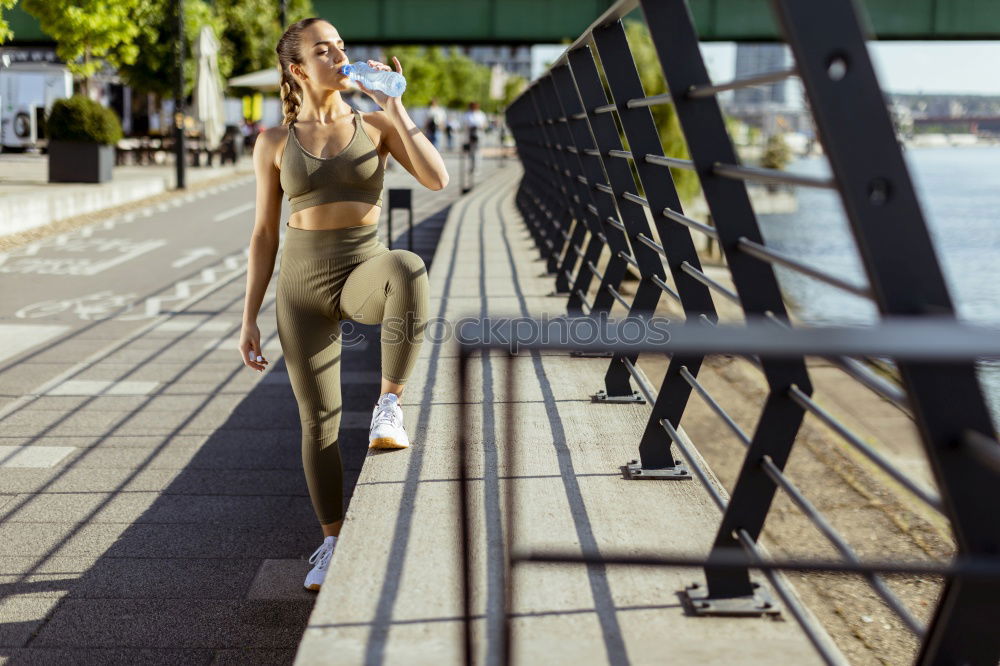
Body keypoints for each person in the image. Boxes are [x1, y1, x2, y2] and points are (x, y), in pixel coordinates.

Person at [239, 17, 448, 593]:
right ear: (298, 69)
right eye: (322, 50)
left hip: (363, 270)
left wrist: (394, 106)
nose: (337, 56)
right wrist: (248, 316)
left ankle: (389, 406)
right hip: (300, 290)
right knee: (319, 424)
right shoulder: (274, 142)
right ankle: (330, 542)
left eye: (342, 48)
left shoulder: (376, 124)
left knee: (407, 267)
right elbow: (263, 235)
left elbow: (436, 177)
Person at [463, 101, 487, 174]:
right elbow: (464, 125)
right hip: (470, 134)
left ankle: (477, 168)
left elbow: (485, 124)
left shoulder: (481, 114)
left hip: (479, 134)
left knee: (478, 152)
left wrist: (479, 127)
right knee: (471, 152)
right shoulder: (467, 114)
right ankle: (472, 167)